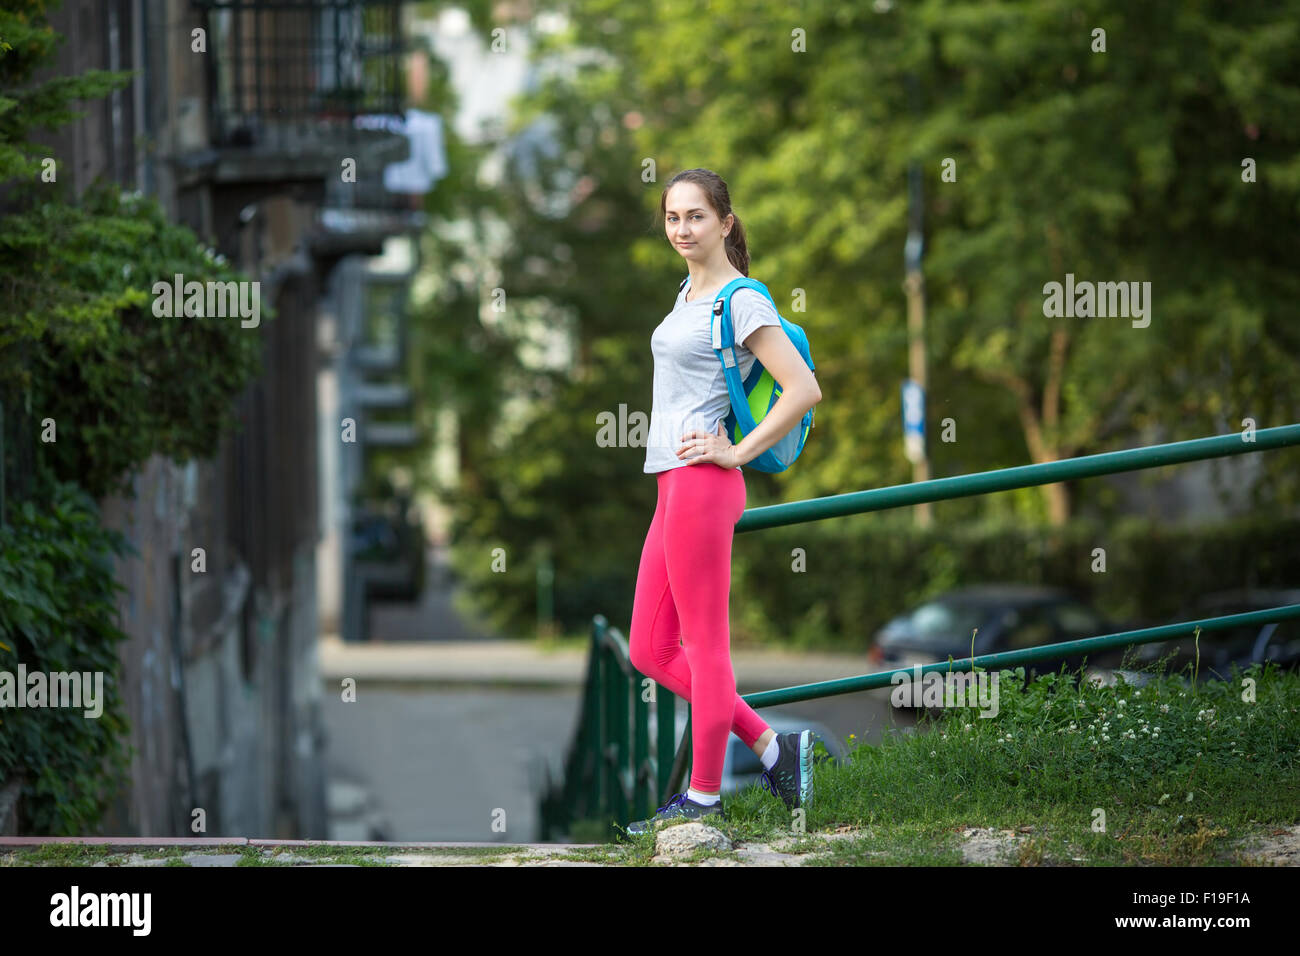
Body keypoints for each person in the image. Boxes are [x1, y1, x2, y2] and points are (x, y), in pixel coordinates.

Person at [625, 168, 823, 835]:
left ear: (725, 223)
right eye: (673, 217)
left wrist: (735, 453)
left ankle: (705, 797)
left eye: (696, 217)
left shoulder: (740, 300)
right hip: (670, 484)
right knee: (649, 651)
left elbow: (801, 389)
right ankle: (774, 748)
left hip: (704, 485)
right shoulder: (687, 293)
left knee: (705, 648)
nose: (682, 229)